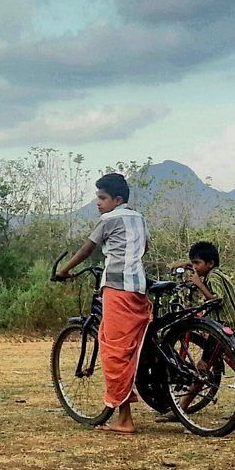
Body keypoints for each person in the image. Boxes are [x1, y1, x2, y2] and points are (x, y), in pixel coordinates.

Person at [54, 173, 151, 434]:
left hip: (117, 288)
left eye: (102, 197)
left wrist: (64, 270)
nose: (98, 203)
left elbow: (88, 248)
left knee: (115, 349)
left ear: (117, 199)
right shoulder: (139, 218)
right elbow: (145, 248)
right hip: (139, 288)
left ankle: (124, 419)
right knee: (133, 346)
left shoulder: (108, 219)